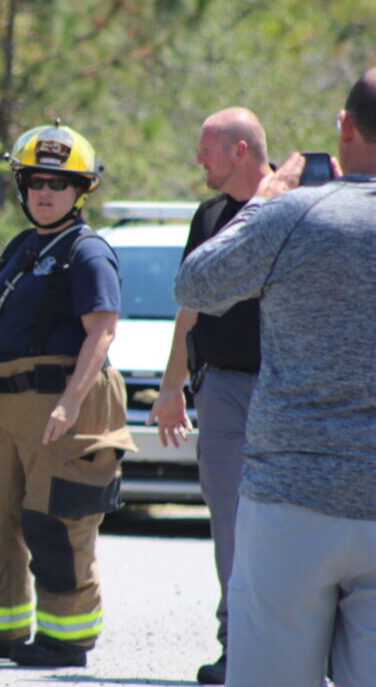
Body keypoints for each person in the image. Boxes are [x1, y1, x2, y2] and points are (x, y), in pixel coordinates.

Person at [174, 68, 376, 687]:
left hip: (290, 501)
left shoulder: (293, 213)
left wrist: (264, 200)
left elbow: (197, 283)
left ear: (344, 128)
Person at [0, 122, 135, 668]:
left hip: (64, 401)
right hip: (4, 401)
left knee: (56, 523)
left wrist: (71, 402)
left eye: (59, 183)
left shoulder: (88, 250)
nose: (45, 193)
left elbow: (101, 331)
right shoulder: (20, 247)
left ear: (81, 190)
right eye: (35, 182)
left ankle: (65, 638)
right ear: (23, 187)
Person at [146, 107, 272, 685]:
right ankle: (238, 645)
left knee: (291, 525)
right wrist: (173, 387)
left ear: (241, 150)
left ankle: (303, 649)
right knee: (230, 526)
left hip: (284, 394)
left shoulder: (291, 212)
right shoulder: (209, 215)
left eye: (207, 148)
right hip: (220, 389)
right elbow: (189, 305)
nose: (198, 158)